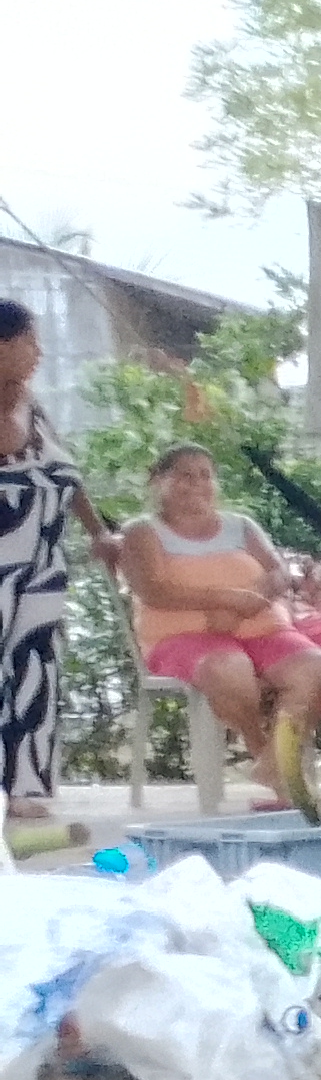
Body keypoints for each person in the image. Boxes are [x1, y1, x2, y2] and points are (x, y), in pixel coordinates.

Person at [117, 444, 321, 812]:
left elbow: (279, 572)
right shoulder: (142, 531)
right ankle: (263, 752)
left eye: (205, 475)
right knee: (229, 667)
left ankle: (273, 763)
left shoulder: (241, 526)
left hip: (261, 628)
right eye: (185, 475)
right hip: (182, 637)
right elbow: (153, 590)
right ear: (158, 481)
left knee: (314, 665)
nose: (197, 484)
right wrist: (226, 599)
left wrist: (251, 600)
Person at [0, 298, 118, 823]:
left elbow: (68, 475)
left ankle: (26, 786)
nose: (39, 352)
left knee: (36, 668)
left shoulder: (33, 406)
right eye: (30, 340)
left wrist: (99, 532)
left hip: (43, 563)